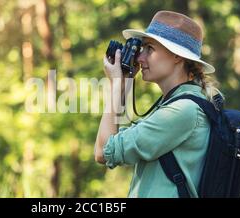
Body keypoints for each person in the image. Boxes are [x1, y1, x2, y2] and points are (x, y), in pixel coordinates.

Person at [94, 10, 224, 197]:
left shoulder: (182, 111)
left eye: (150, 49)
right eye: (141, 49)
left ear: (177, 56)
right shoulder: (174, 104)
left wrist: (116, 86)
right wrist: (123, 85)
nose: (139, 58)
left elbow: (103, 151)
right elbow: (112, 140)